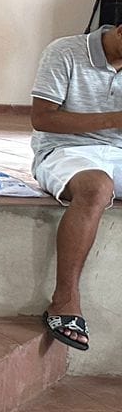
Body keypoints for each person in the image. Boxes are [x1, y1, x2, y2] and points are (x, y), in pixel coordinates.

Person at [30, 23, 122, 350]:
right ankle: (64, 299)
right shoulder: (66, 51)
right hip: (64, 151)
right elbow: (43, 118)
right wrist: (115, 118)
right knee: (97, 187)